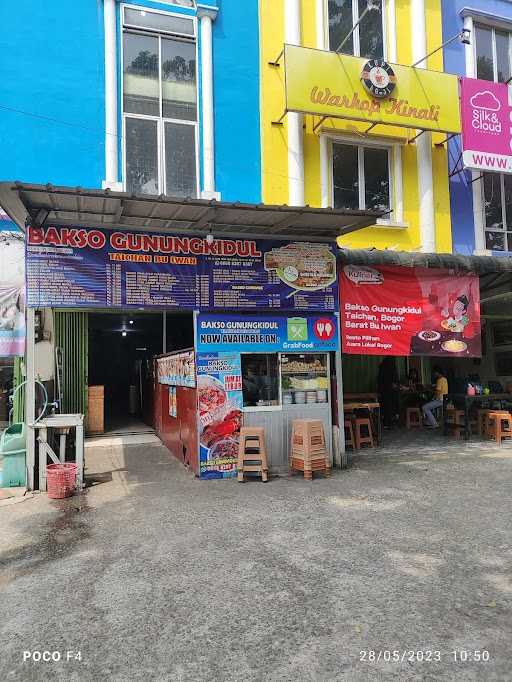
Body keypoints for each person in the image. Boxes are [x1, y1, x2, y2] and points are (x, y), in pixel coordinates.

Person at [377, 357, 399, 428]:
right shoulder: (391, 369)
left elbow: (379, 381)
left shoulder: (382, 368)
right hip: (390, 391)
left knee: (385, 407)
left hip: (383, 391)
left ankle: (386, 423)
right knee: (390, 406)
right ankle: (390, 422)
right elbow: (394, 383)